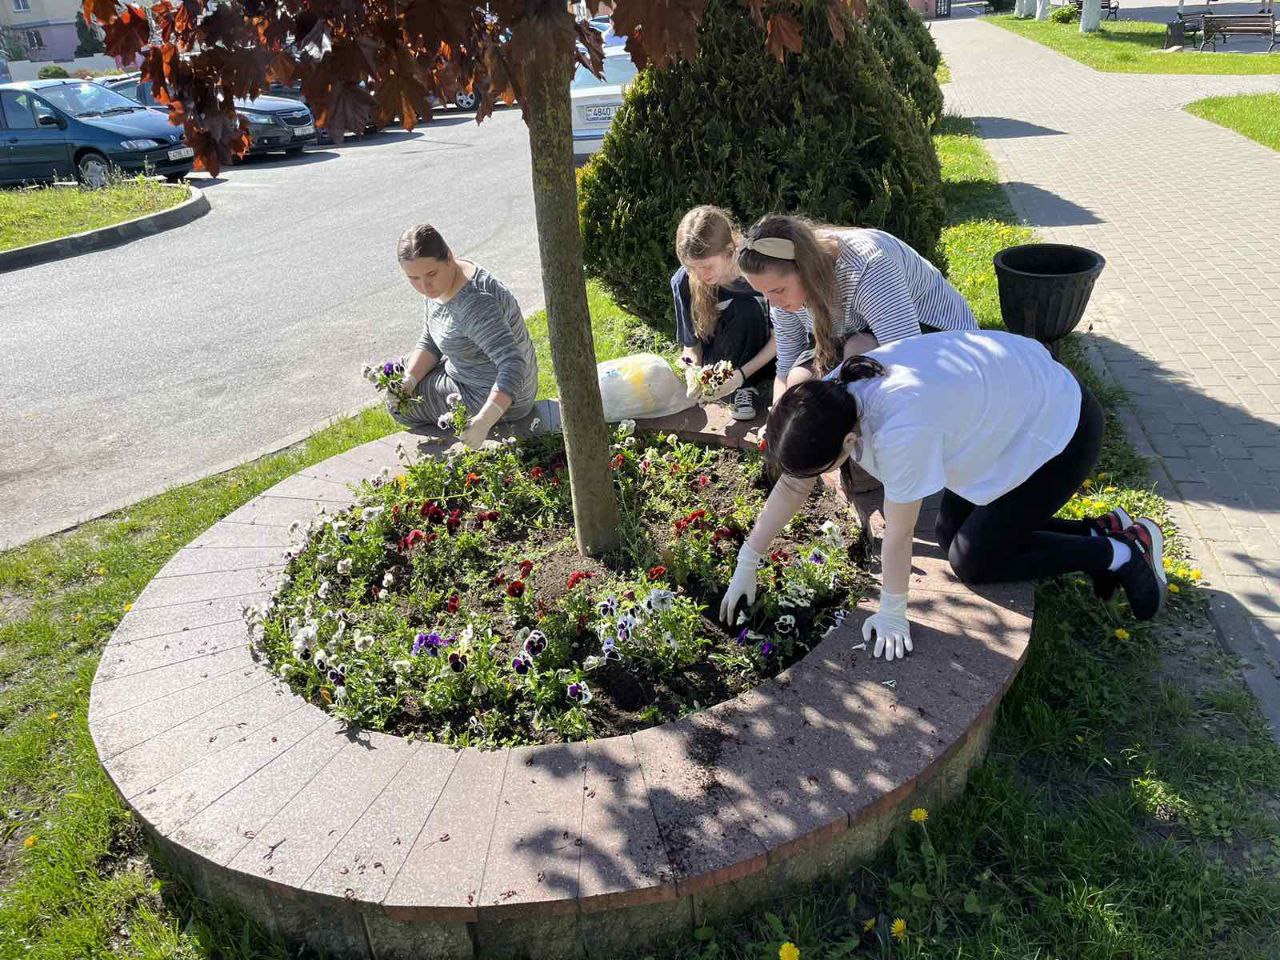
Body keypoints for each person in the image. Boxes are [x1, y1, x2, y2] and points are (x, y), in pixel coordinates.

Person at [719, 330, 1167, 661]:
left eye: (823, 470)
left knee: (974, 560)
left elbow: (897, 534)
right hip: (1003, 416)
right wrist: (748, 559)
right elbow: (795, 481)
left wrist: (893, 611)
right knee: (952, 532)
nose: (810, 480)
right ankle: (1100, 529)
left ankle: (1121, 552)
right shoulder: (829, 397)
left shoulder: (899, 431)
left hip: (1058, 431)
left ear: (849, 445)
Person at [735, 214, 978, 404]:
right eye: (763, 293)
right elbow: (785, 367)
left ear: (806, 270)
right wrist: (778, 413)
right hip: (860, 333)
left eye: (778, 291)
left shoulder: (869, 269)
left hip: (938, 339)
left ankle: (856, 450)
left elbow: (908, 360)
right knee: (799, 385)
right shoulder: (783, 293)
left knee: (858, 360)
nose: (773, 303)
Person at [391, 224, 538, 448]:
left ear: (449, 256)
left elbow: (512, 364)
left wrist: (484, 421)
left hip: (498, 397)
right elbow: (431, 338)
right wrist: (408, 381)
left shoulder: (476, 303)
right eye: (414, 278)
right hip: (470, 372)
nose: (425, 286)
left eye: (431, 274)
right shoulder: (441, 284)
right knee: (398, 379)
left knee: (398, 406)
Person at [672, 206, 777, 420]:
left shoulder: (756, 269)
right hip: (719, 358)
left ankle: (744, 388)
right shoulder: (683, 281)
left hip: (766, 354)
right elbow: (691, 346)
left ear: (729, 251)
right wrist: (693, 372)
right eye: (692, 267)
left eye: (706, 266)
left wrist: (740, 376)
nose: (700, 275)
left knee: (745, 309)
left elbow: (781, 339)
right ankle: (725, 387)